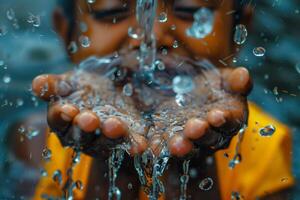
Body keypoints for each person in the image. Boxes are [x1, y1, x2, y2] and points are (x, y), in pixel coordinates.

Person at [28, 0, 294, 199]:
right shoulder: (38, 141)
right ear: (66, 33)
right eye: (111, 11)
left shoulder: (264, 146)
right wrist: (113, 167)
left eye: (189, 9)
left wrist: (194, 167)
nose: (151, 37)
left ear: (239, 30)